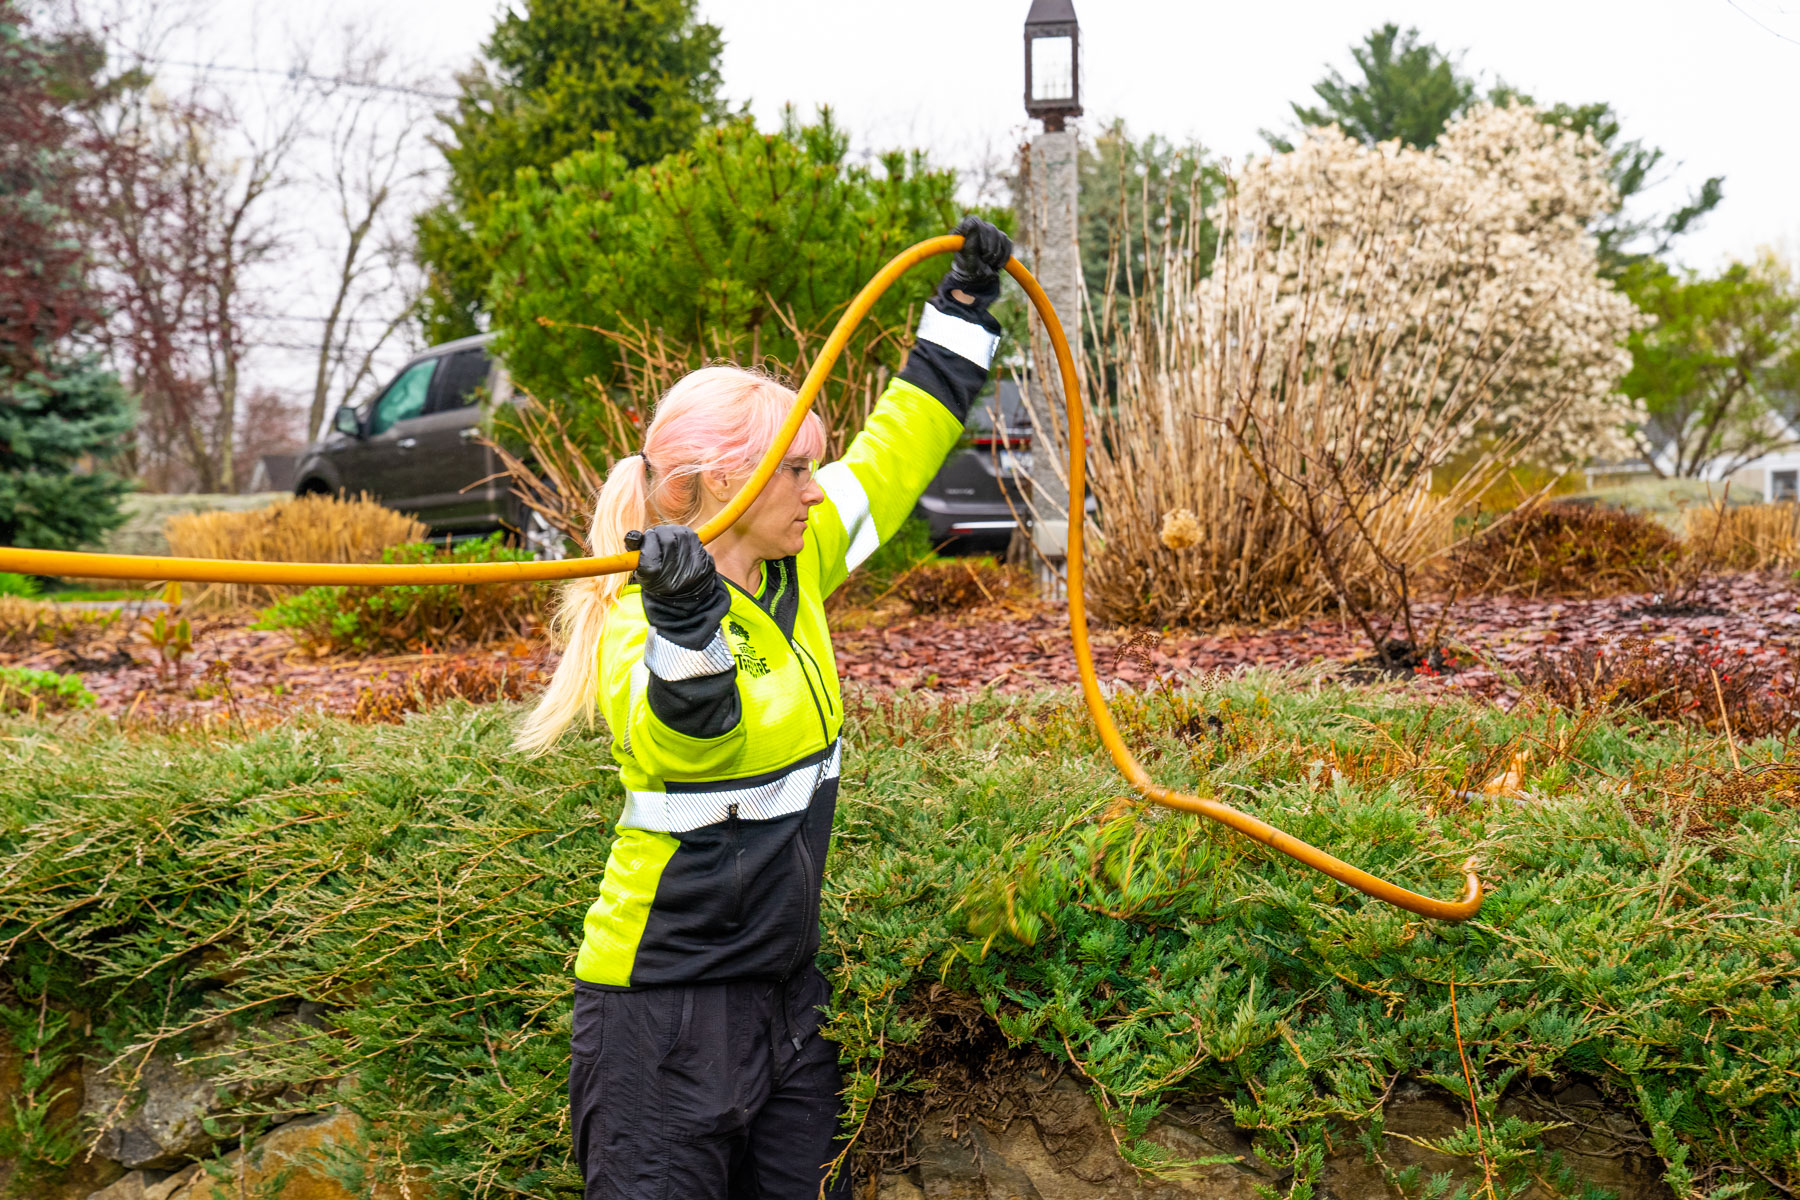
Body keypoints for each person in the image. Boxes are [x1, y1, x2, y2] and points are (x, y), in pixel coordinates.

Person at [517, 216, 1014, 1200]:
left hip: (787, 999)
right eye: (796, 467)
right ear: (724, 485)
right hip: (661, 1014)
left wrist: (958, 317)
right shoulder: (636, 622)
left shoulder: (803, 558)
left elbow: (899, 449)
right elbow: (695, 745)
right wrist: (689, 621)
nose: (817, 491)